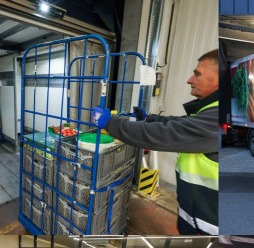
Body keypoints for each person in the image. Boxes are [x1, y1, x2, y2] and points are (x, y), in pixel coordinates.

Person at [92, 50, 219, 235]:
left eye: (198, 74)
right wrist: (148, 119)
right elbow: (180, 124)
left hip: (210, 229)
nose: (190, 79)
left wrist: (110, 123)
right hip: (196, 220)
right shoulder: (211, 112)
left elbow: (164, 134)